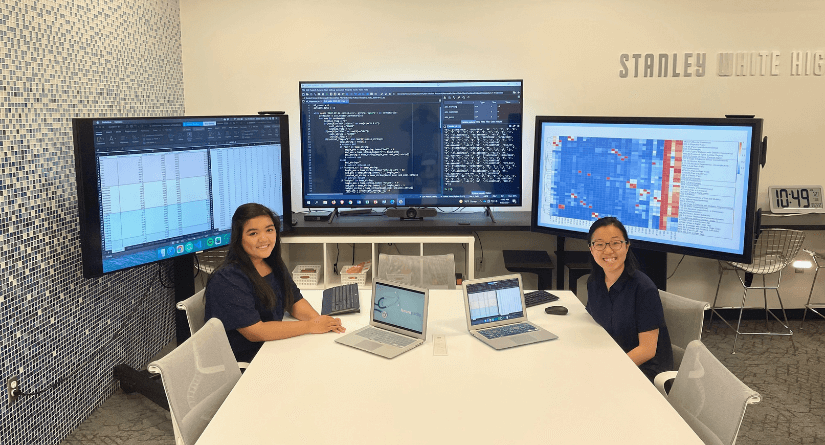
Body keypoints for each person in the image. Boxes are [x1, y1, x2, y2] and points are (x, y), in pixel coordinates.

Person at [204, 203, 345, 362]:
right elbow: (255, 331)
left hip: (272, 346)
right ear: (239, 238)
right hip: (248, 362)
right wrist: (310, 326)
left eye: (269, 230)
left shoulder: (271, 262)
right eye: (253, 233)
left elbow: (293, 300)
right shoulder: (228, 278)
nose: (264, 238)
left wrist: (319, 321)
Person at [585, 216, 673, 381]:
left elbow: (647, 350)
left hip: (644, 369)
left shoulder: (644, 289)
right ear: (591, 249)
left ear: (627, 246)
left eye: (615, 243)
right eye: (599, 244)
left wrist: (611, 368)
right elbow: (594, 320)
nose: (608, 250)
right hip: (613, 355)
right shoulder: (594, 283)